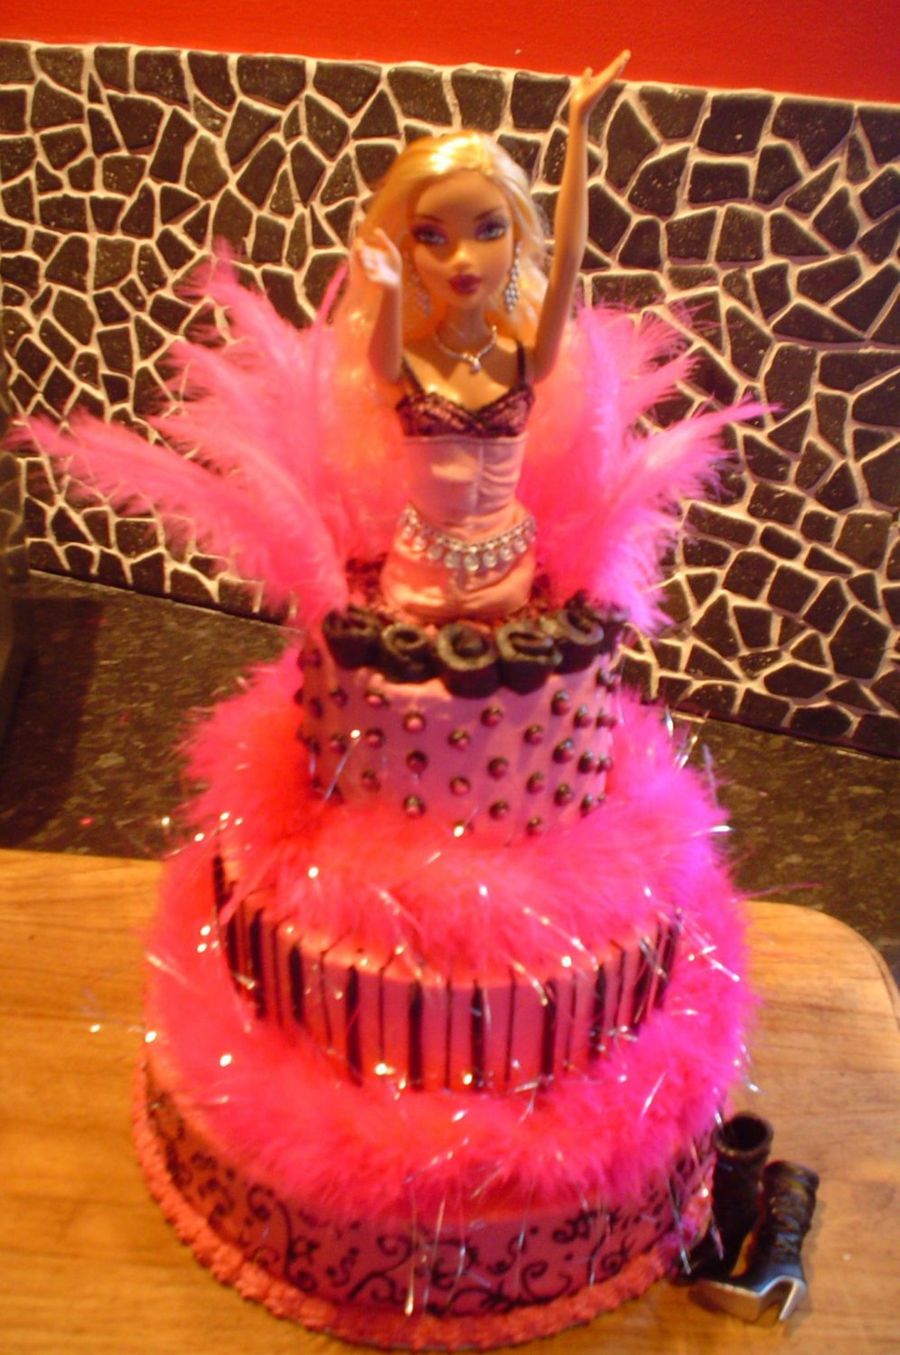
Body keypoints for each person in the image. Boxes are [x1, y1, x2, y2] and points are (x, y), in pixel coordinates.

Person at [343, 52, 631, 622]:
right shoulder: (406, 365)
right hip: (418, 585)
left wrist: (578, 127)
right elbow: (382, 362)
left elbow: (569, 257)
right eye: (433, 237)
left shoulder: (526, 360)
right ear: (407, 249)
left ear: (516, 239)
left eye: (489, 230)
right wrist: (391, 291)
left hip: (509, 579)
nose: (463, 259)